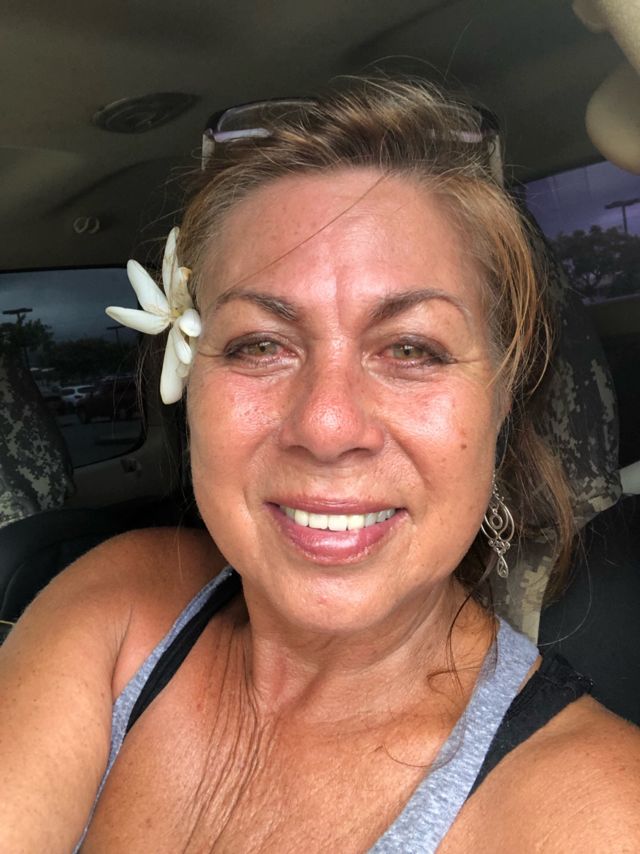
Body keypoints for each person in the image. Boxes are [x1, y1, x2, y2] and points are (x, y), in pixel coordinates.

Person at [1, 78, 639, 853]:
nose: (327, 426)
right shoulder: (118, 604)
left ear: (502, 396)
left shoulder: (596, 814)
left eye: (413, 349)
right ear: (190, 382)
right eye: (259, 345)